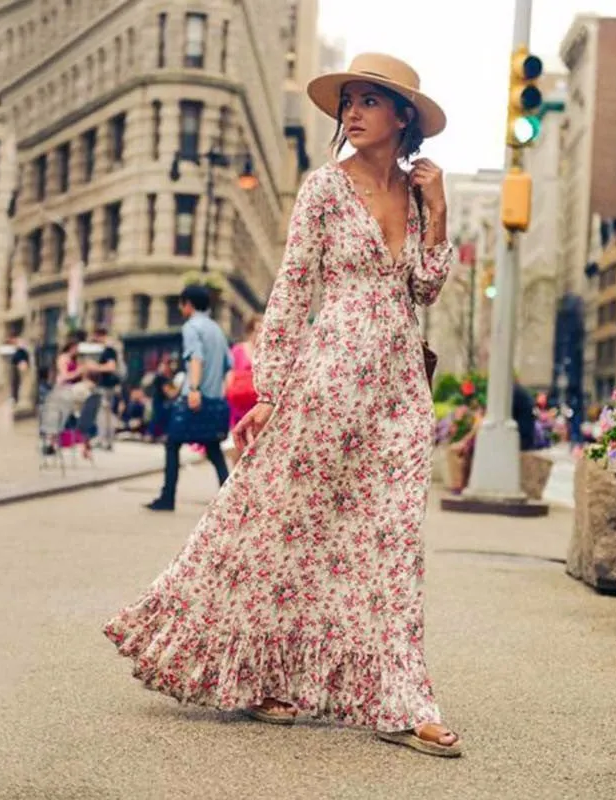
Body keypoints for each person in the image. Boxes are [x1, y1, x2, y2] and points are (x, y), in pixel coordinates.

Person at [105, 53, 461, 757]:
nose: (352, 112)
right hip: (328, 378)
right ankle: (262, 674)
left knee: (390, 546)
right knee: (279, 532)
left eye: (368, 101)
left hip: (397, 393)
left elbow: (422, 290)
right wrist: (269, 392)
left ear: (403, 118)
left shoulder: (419, 196)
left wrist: (441, 211)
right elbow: (295, 290)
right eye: (347, 101)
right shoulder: (324, 189)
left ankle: (403, 698)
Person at [145, 285, 232, 511]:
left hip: (195, 398)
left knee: (172, 443)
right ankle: (231, 498)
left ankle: (167, 497)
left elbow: (196, 358)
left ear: (189, 304)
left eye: (181, 303)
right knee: (213, 448)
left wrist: (193, 389)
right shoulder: (217, 330)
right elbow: (228, 367)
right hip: (214, 400)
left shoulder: (192, 327)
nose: (180, 307)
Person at [224, 314, 262, 466]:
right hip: (238, 406)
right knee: (238, 447)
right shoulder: (238, 350)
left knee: (256, 449)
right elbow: (230, 375)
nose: (260, 334)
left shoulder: (265, 353)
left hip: (257, 405)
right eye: (257, 329)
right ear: (250, 330)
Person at [86, 326, 121, 451]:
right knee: (104, 413)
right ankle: (105, 440)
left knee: (104, 414)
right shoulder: (110, 349)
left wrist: (95, 367)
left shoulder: (109, 350)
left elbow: (111, 367)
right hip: (106, 386)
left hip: (107, 386)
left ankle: (105, 440)